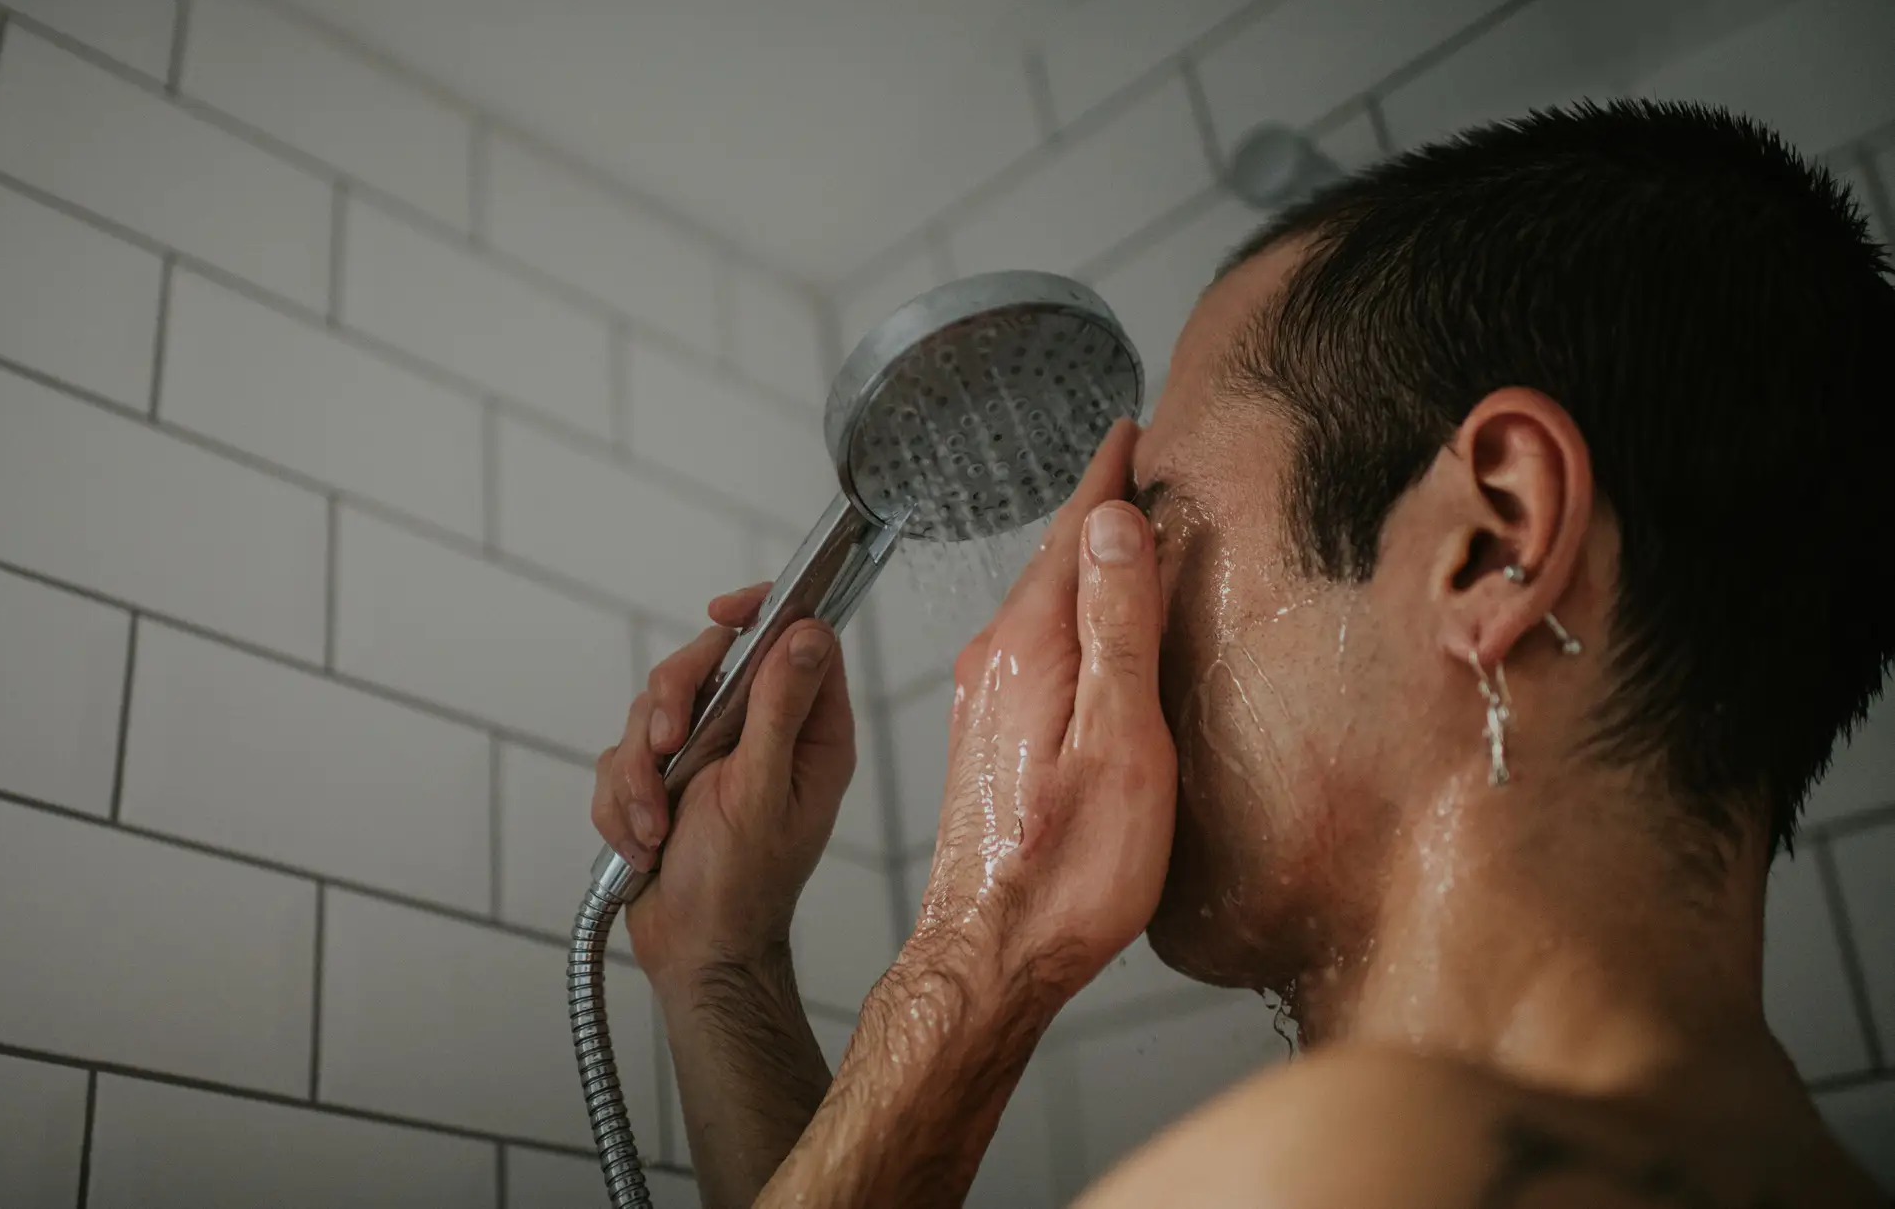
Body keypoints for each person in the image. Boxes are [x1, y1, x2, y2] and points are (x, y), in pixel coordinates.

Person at [590, 101, 1894, 1208]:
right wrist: (723, 959)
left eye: (1152, 520)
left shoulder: (1361, 1168)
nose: (1108, 593)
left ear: (1492, 544)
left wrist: (978, 952)